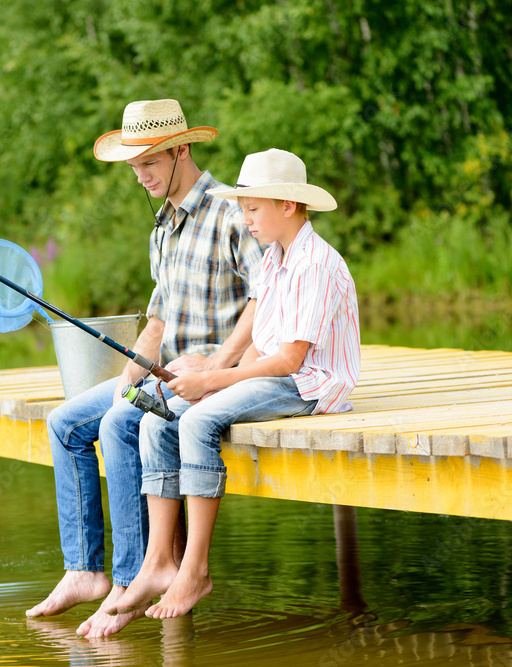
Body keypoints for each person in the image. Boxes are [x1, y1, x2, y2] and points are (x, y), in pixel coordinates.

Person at [26, 99, 265, 638]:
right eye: (134, 165)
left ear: (182, 149)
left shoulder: (230, 213)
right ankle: (85, 570)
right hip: (162, 374)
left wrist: (220, 364)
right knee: (65, 424)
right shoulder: (162, 227)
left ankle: (132, 577)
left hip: (209, 377)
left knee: (119, 426)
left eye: (149, 162)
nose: (140, 175)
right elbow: (157, 318)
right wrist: (131, 377)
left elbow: (264, 297)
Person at [109, 148, 361, 620]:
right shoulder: (274, 260)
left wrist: (212, 381)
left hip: (310, 386)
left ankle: (195, 570)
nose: (244, 219)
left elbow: (290, 359)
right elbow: (260, 344)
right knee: (157, 421)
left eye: (252, 208)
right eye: (242, 209)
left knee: (198, 420)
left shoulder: (315, 263)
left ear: (287, 205)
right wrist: (211, 378)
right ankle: (159, 560)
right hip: (279, 374)